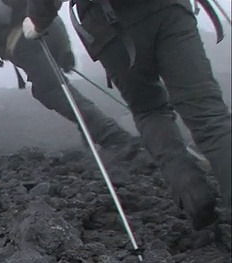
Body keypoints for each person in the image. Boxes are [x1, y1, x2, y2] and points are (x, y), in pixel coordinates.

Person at [20, 0, 231, 229]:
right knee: (208, 115)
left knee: (150, 111)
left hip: (108, 27)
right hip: (170, 11)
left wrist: (38, 22)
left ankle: (194, 197)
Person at [0, 3, 142, 165]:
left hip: (25, 42)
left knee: (52, 91)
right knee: (57, 88)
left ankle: (114, 137)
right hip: (45, 28)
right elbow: (48, 15)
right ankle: (94, 129)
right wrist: (64, 51)